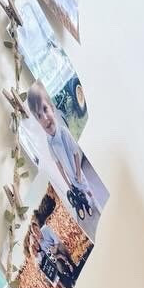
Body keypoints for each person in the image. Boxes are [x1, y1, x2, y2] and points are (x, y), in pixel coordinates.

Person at [26, 85, 98, 220]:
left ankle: (95, 202)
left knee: (86, 188)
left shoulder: (64, 133)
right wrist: (67, 182)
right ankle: (87, 204)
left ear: (52, 109)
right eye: (39, 116)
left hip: (76, 172)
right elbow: (58, 164)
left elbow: (76, 153)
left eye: (45, 109)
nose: (45, 118)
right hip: (70, 177)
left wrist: (77, 171)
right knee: (79, 193)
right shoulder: (49, 142)